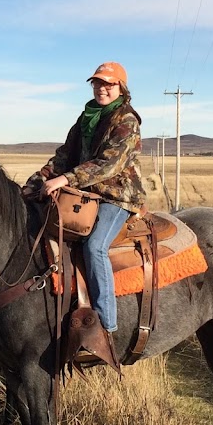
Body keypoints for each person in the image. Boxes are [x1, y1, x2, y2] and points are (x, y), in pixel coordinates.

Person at [25, 61, 147, 335]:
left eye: (109, 84)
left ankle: (106, 323)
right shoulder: (85, 119)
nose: (102, 89)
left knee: (94, 247)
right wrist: (35, 182)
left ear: (121, 88)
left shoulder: (126, 120)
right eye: (98, 83)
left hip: (117, 196)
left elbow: (109, 164)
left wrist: (66, 179)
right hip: (85, 194)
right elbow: (63, 157)